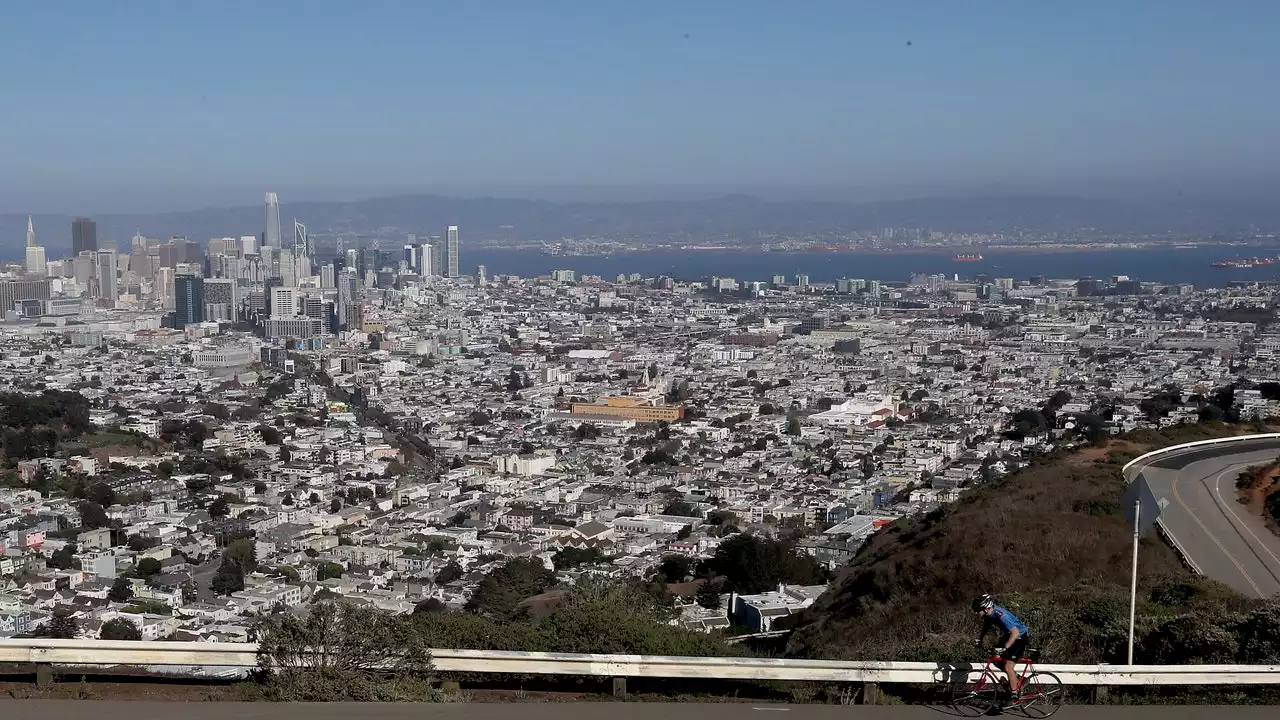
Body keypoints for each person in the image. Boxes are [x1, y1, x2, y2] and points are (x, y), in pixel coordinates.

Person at [972, 593, 1030, 696]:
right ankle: (1018, 679)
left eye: (977, 610)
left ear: (985, 609)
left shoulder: (1002, 616)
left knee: (1008, 666)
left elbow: (1015, 633)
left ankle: (1014, 693)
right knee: (996, 658)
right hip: (1009, 636)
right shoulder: (988, 614)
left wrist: (1005, 647)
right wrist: (980, 639)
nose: (975, 613)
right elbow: (986, 626)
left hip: (1019, 637)